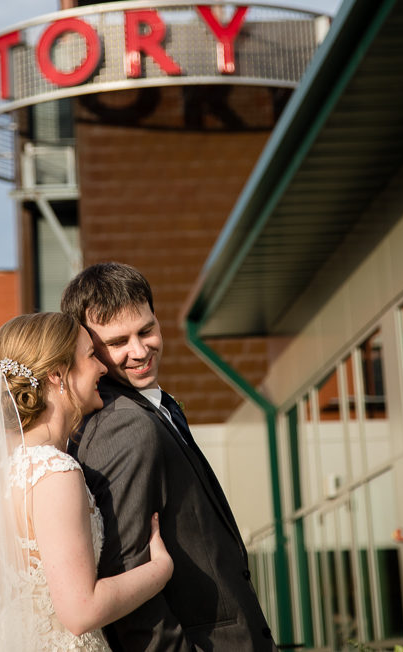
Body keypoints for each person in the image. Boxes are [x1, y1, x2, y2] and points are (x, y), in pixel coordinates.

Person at [0, 312, 173, 652]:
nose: (103, 368)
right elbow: (80, 611)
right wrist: (160, 570)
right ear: (57, 375)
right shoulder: (54, 472)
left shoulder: (3, 474)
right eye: (91, 355)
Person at [61, 263, 277, 652]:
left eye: (146, 330)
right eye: (118, 342)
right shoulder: (122, 426)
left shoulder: (153, 409)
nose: (140, 351)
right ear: (89, 348)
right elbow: (124, 572)